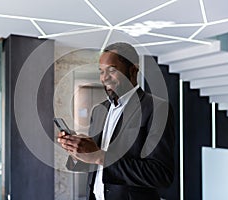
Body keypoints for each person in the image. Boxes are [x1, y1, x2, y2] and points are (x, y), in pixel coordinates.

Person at [57, 42, 175, 200]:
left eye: (112, 70)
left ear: (133, 70)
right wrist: (78, 153)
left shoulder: (157, 108)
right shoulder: (99, 111)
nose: (104, 78)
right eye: (101, 71)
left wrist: (101, 156)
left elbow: (160, 174)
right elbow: (95, 165)